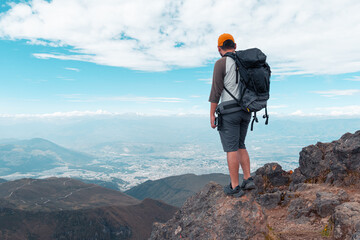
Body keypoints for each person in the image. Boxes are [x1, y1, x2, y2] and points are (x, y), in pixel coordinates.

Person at [209, 33, 256, 197]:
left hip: (229, 111)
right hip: (246, 110)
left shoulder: (221, 63)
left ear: (219, 48)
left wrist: (211, 115)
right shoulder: (246, 64)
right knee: (241, 144)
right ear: (235, 46)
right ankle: (248, 179)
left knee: (231, 148)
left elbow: (216, 91)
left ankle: (235, 186)